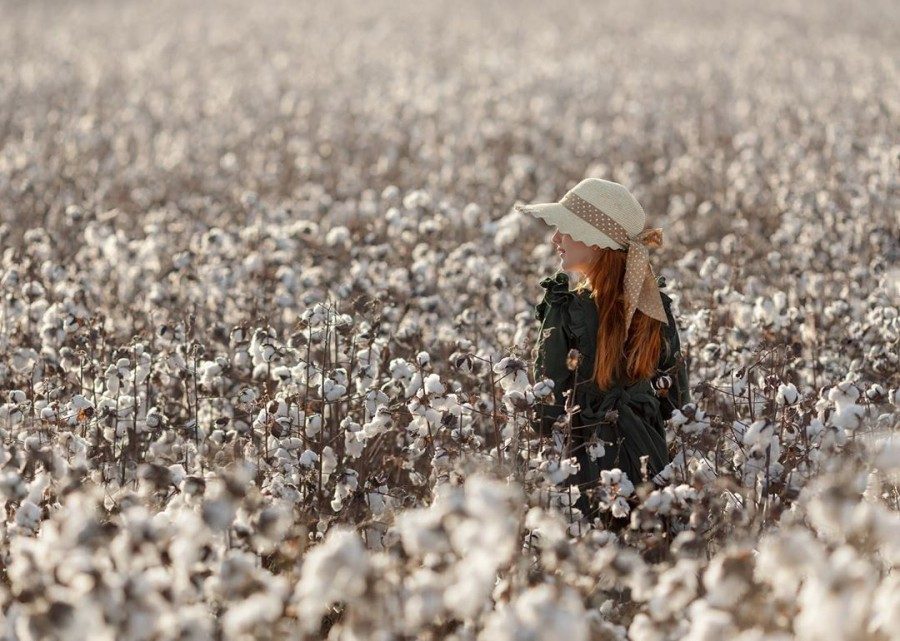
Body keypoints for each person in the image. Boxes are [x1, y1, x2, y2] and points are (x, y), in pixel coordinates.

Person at [516, 178, 691, 520]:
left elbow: (545, 407)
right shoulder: (655, 308)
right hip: (650, 467)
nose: (556, 239)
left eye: (565, 229)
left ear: (596, 242)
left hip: (586, 469)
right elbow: (678, 404)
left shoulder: (566, 310)